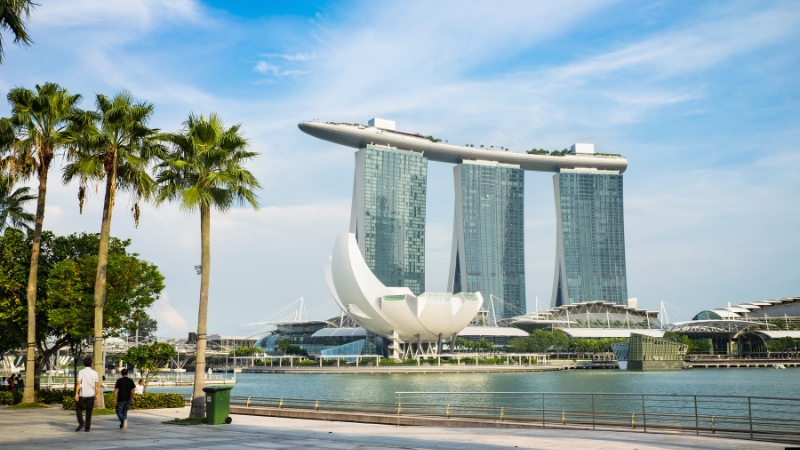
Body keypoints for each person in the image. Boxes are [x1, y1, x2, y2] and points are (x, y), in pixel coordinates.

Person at [75, 357, 99, 432]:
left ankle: (81, 422)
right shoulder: (95, 373)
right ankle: (87, 427)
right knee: (89, 411)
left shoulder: (81, 372)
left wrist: (76, 394)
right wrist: (97, 394)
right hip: (91, 394)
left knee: (78, 408)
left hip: (83, 394)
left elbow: (79, 383)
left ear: (84, 363)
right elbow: (96, 385)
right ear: (91, 363)